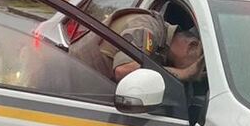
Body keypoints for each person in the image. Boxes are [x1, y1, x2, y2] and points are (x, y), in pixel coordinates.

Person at [68, 8, 204, 84]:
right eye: (197, 64)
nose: (194, 70)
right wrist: (184, 73)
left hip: (87, 85)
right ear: (191, 46)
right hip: (71, 84)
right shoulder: (147, 27)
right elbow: (124, 71)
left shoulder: (161, 45)